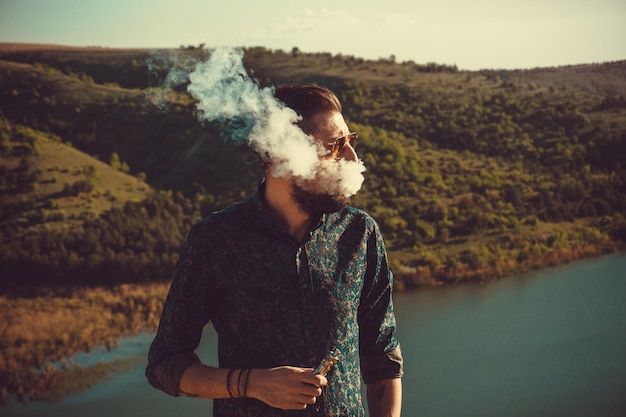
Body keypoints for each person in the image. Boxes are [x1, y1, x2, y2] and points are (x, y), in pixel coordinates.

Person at [146, 83, 403, 416]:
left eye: (350, 142)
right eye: (333, 146)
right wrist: (252, 384)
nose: (352, 158)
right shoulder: (216, 240)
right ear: (280, 155)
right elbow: (164, 366)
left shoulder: (360, 233)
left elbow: (383, 359)